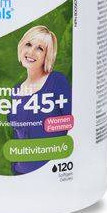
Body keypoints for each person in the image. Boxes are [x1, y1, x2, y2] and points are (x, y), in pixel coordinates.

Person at [8, 25, 72, 174]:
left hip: (53, 171)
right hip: (20, 172)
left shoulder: (57, 81)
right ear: (21, 46)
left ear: (47, 56)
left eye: (40, 48)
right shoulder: (16, 90)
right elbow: (17, 135)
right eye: (28, 44)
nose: (31, 52)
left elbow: (74, 125)